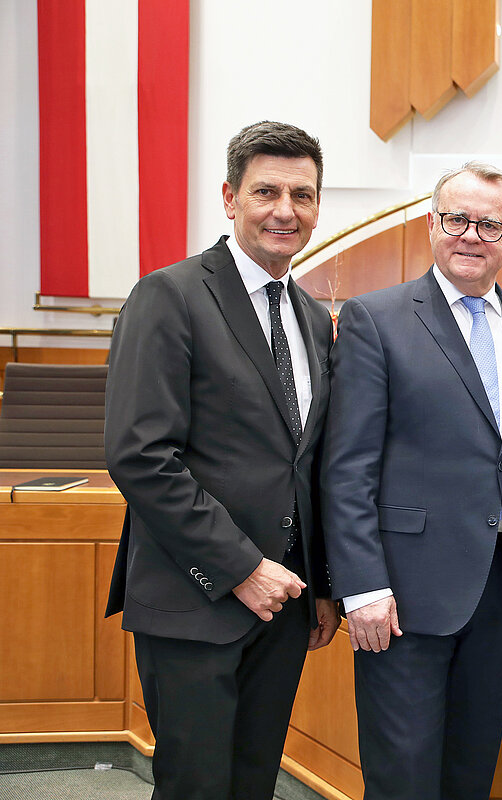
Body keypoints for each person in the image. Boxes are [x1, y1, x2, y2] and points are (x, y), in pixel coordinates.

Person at [105, 120, 339, 799]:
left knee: (251, 782)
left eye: (303, 195)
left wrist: (317, 582)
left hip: (283, 608)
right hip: (195, 596)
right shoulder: (170, 295)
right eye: (267, 191)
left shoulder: (307, 312)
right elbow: (140, 455)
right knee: (196, 786)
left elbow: (306, 463)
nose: (285, 211)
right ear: (230, 198)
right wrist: (242, 568)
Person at [321, 162, 502, 800]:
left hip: (501, 589)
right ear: (433, 224)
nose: (471, 235)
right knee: (402, 777)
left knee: (470, 770)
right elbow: (347, 468)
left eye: (490, 224)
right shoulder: (376, 319)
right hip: (401, 593)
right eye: (457, 219)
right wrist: (361, 587)